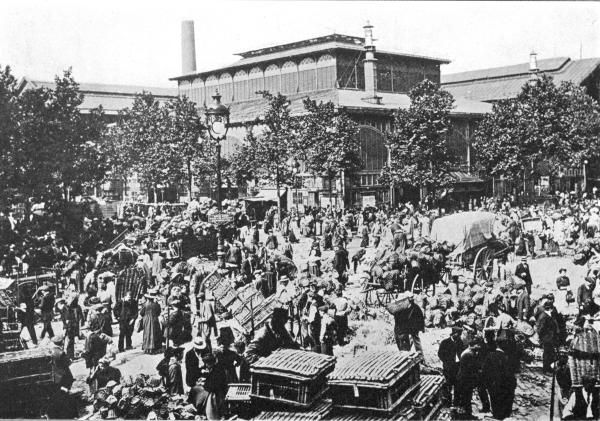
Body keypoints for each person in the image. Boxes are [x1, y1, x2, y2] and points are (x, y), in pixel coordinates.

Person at [482, 341, 517, 420]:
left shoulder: (490, 356)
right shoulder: (508, 357)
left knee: (496, 403)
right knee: (506, 404)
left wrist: (487, 384)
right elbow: (512, 372)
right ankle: (505, 415)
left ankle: (497, 416)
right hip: (507, 385)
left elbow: (484, 371)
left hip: (494, 385)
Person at [456, 338, 487, 417]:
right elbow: (472, 368)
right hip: (465, 379)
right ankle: (468, 414)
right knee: (467, 396)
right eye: (478, 345)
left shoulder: (469, 352)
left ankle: (468, 413)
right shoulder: (469, 354)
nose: (479, 347)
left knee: (467, 396)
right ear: (474, 345)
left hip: (465, 378)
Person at [438, 326, 466, 405]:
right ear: (453, 334)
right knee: (448, 384)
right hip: (448, 367)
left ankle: (457, 401)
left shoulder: (460, 342)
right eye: (458, 334)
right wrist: (446, 362)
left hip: (457, 366)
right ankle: (448, 402)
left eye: (460, 334)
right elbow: (440, 354)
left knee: (458, 384)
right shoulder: (445, 342)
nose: (459, 336)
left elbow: (462, 352)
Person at [393, 292, 425, 357]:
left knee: (414, 340)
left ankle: (419, 355)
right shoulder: (405, 308)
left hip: (412, 327)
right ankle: (411, 354)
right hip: (408, 328)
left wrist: (421, 327)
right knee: (412, 341)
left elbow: (420, 317)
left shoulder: (412, 307)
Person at [536, 301, 559, 374]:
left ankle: (548, 368)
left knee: (550, 353)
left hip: (549, 338)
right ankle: (546, 369)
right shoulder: (544, 316)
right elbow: (540, 329)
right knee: (547, 354)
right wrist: (542, 337)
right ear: (550, 308)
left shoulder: (546, 315)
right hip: (547, 338)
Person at [140, 289, 162, 354]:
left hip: (146, 320)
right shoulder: (156, 305)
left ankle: (146, 348)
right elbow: (159, 313)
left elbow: (141, 313)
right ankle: (153, 348)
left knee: (147, 333)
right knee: (154, 333)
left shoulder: (145, 305)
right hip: (154, 319)